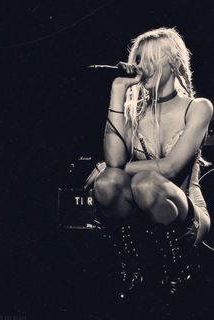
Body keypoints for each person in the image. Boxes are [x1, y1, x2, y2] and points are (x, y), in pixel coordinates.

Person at [91, 27, 213, 294]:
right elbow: (113, 165)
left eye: (148, 59)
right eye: (137, 59)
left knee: (146, 183)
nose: (139, 66)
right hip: (141, 216)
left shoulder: (198, 107)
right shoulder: (134, 111)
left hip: (185, 214)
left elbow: (170, 168)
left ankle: (177, 269)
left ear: (172, 62)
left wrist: (117, 167)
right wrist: (118, 90)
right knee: (106, 182)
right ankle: (130, 264)